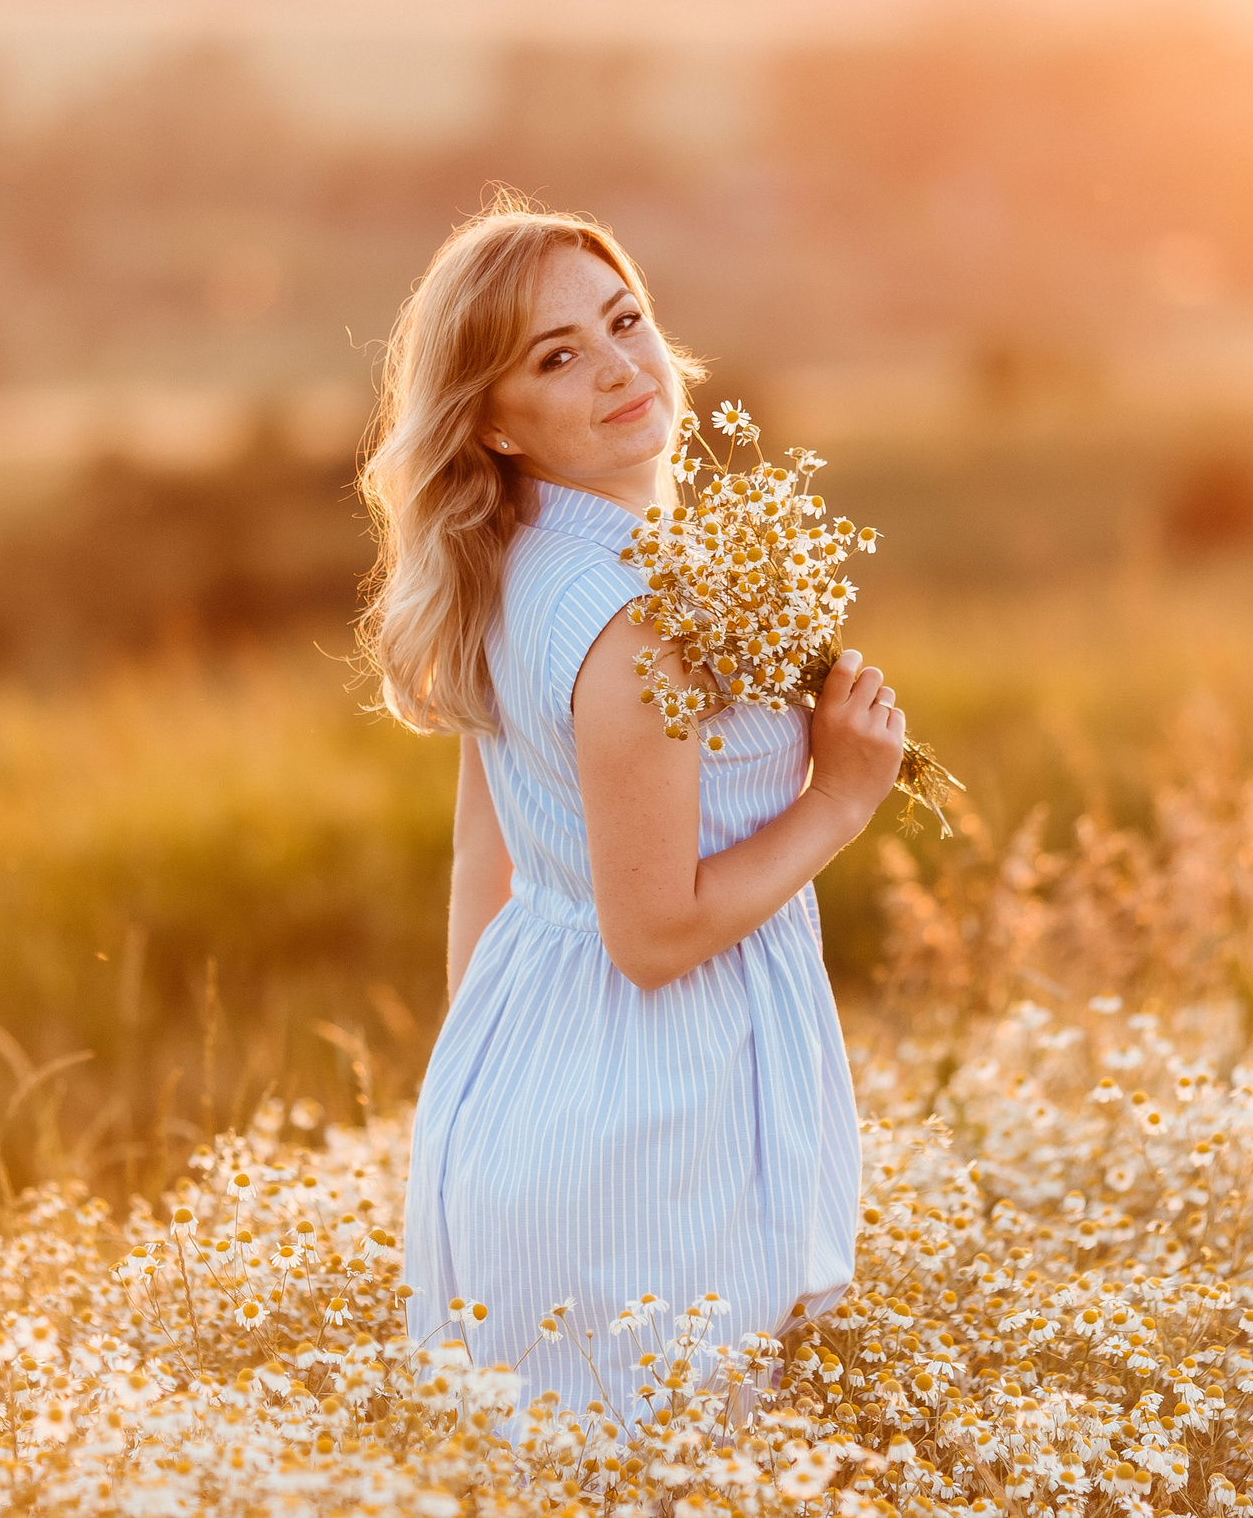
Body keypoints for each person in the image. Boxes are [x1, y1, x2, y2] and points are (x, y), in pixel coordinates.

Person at [359, 196, 906, 1419]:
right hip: (654, 1131)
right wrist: (840, 799)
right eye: (557, 358)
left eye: (625, 321)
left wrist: (494, 1092)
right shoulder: (639, 624)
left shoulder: (507, 565)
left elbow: (480, 853)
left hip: (528, 1098)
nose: (619, 368)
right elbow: (654, 937)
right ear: (491, 421)